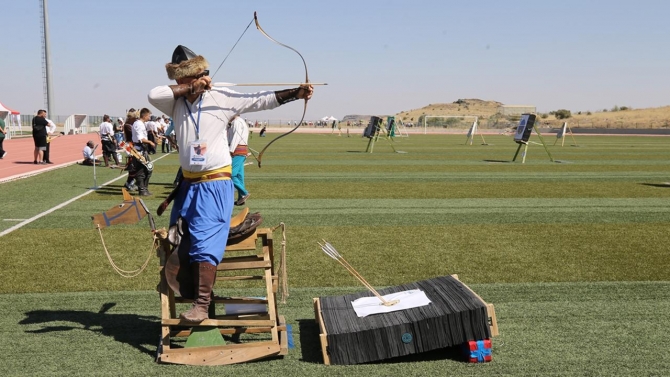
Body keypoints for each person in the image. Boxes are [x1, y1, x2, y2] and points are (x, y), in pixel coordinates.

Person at [148, 44, 313, 323]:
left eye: (189, 78)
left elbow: (260, 99)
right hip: (188, 186)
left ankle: (201, 305)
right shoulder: (175, 101)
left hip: (214, 184)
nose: (182, 83)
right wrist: (190, 89)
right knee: (178, 237)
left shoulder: (221, 96)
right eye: (180, 80)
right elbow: (154, 93)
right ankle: (185, 287)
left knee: (203, 240)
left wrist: (295, 94)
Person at [131, 108, 156, 196]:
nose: (149, 117)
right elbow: (140, 138)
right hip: (138, 150)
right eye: (149, 115)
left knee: (148, 169)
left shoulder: (141, 124)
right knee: (141, 170)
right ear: (145, 116)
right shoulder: (138, 124)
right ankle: (142, 190)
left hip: (142, 149)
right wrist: (150, 142)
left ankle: (144, 188)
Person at [228, 115, 250, 205]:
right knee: (239, 176)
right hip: (242, 151)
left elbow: (236, 137)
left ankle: (244, 193)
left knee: (231, 175)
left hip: (237, 151)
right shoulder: (240, 122)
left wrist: (231, 150)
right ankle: (241, 199)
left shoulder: (236, 122)